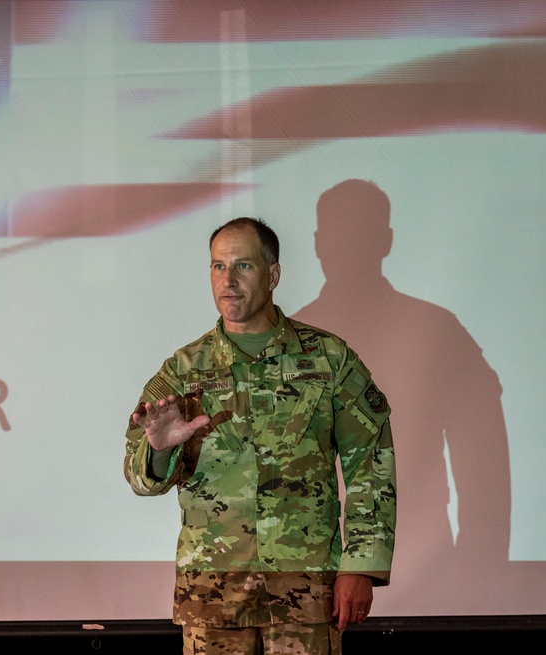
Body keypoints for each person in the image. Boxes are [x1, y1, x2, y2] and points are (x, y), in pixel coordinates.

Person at [124, 217, 396, 655]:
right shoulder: (182, 371)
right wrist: (158, 451)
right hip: (212, 595)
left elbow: (371, 462)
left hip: (306, 592)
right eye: (217, 267)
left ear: (273, 274)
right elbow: (138, 478)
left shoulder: (328, 359)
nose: (227, 281)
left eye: (242, 266)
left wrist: (360, 566)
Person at [293, 180, 510, 613]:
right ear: (318, 244)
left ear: (385, 241)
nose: (348, 249)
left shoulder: (439, 332)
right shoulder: (288, 341)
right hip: (304, 577)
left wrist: (480, 571)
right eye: (339, 236)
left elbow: (484, 465)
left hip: (432, 573)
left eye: (361, 235)